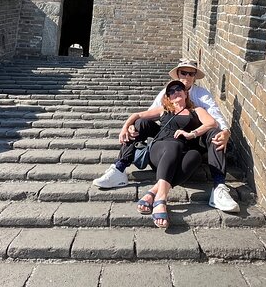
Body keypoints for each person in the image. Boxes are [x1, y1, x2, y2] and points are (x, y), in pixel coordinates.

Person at [93, 59, 240, 213]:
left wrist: (224, 132)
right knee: (142, 124)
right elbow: (143, 114)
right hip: (165, 140)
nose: (187, 77)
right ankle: (120, 168)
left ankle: (218, 187)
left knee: (216, 135)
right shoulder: (166, 100)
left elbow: (214, 119)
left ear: (191, 83)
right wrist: (128, 126)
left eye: (191, 74)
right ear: (177, 75)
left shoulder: (201, 98)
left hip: (192, 142)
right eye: (184, 73)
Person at [104, 80, 217, 228]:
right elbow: (138, 115)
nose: (175, 92)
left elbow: (212, 123)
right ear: (168, 97)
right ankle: (161, 200)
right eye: (171, 91)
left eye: (179, 89)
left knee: (195, 156)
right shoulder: (164, 110)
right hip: (160, 151)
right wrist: (125, 127)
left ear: (186, 93)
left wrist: (192, 134)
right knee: (174, 145)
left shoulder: (196, 110)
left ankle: (152, 192)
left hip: (182, 155)